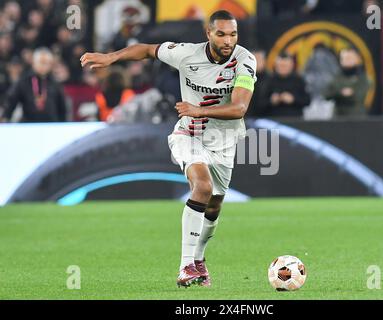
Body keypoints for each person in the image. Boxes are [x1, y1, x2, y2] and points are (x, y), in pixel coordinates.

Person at [80, 10, 257, 288]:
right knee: (202, 187)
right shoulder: (186, 53)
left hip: (224, 142)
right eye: (221, 33)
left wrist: (196, 108)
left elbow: (239, 108)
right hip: (189, 134)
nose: (227, 40)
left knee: (214, 205)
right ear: (207, 34)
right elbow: (148, 50)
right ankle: (186, 266)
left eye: (232, 34)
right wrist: (112, 57)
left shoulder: (245, 60)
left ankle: (199, 260)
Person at [1, 47, 67, 122]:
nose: (44, 66)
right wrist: (5, 117)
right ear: (34, 62)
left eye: (47, 63)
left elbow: (62, 108)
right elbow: (11, 101)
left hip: (51, 125)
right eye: (41, 62)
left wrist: (63, 124)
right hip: (29, 125)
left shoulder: (55, 83)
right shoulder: (24, 81)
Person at [323, 48, 370, 117]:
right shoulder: (337, 77)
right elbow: (326, 94)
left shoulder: (363, 78)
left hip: (356, 118)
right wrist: (341, 92)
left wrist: (338, 94)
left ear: (357, 59)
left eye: (349, 58)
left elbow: (357, 96)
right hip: (338, 118)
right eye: (344, 58)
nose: (346, 61)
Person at [263, 52, 310, 117]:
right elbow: (259, 103)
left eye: (285, 66)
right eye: (280, 66)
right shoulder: (268, 80)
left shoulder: (299, 80)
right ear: (276, 65)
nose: (282, 68)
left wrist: (293, 99)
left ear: (291, 65)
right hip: (273, 120)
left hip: (295, 119)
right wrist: (271, 100)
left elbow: (307, 100)